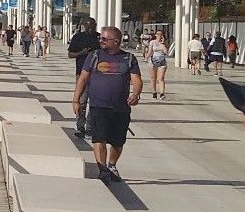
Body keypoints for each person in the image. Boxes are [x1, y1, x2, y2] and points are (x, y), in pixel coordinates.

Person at [72, 25, 142, 183]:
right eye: (100, 38)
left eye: (104, 38)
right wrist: (76, 100)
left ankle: (111, 165)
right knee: (99, 139)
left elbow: (137, 79)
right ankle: (102, 169)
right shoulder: (94, 56)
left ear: (116, 41)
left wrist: (136, 94)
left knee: (118, 142)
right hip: (98, 106)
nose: (100, 41)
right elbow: (82, 79)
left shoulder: (129, 58)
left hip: (121, 108)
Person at [66, 17, 100, 138]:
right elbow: (70, 54)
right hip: (81, 73)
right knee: (81, 101)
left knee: (94, 101)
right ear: (84, 26)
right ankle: (80, 126)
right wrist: (82, 53)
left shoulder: (100, 38)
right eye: (88, 27)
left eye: (93, 27)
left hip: (97, 74)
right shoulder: (78, 37)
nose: (90, 29)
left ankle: (90, 127)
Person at [147, 31, 169, 100]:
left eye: (161, 34)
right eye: (158, 34)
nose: (159, 35)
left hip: (162, 63)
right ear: (155, 35)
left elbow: (166, 52)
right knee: (153, 78)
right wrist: (146, 57)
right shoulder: (152, 42)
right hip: (153, 62)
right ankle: (154, 93)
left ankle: (162, 93)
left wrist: (163, 44)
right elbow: (150, 51)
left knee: (161, 78)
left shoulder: (164, 43)